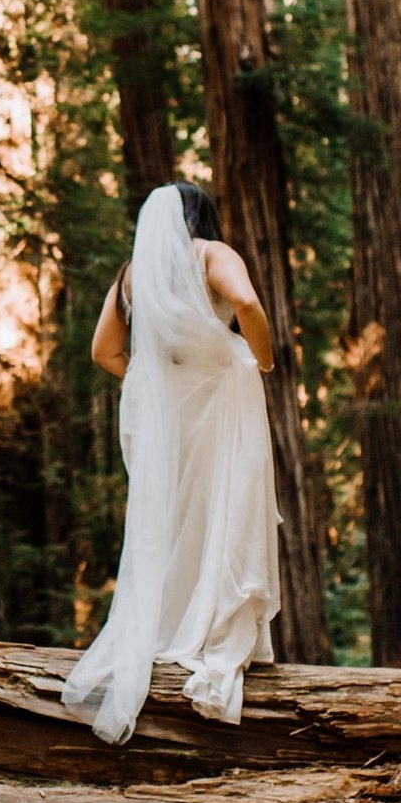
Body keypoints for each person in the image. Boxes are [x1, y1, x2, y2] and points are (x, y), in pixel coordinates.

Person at [64, 182, 282, 743]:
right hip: (219, 409)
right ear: (202, 218)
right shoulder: (211, 255)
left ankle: (166, 626)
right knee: (222, 510)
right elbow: (249, 304)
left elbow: (104, 352)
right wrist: (261, 360)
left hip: (167, 421)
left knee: (170, 520)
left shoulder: (133, 275)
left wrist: (158, 385)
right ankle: (213, 632)